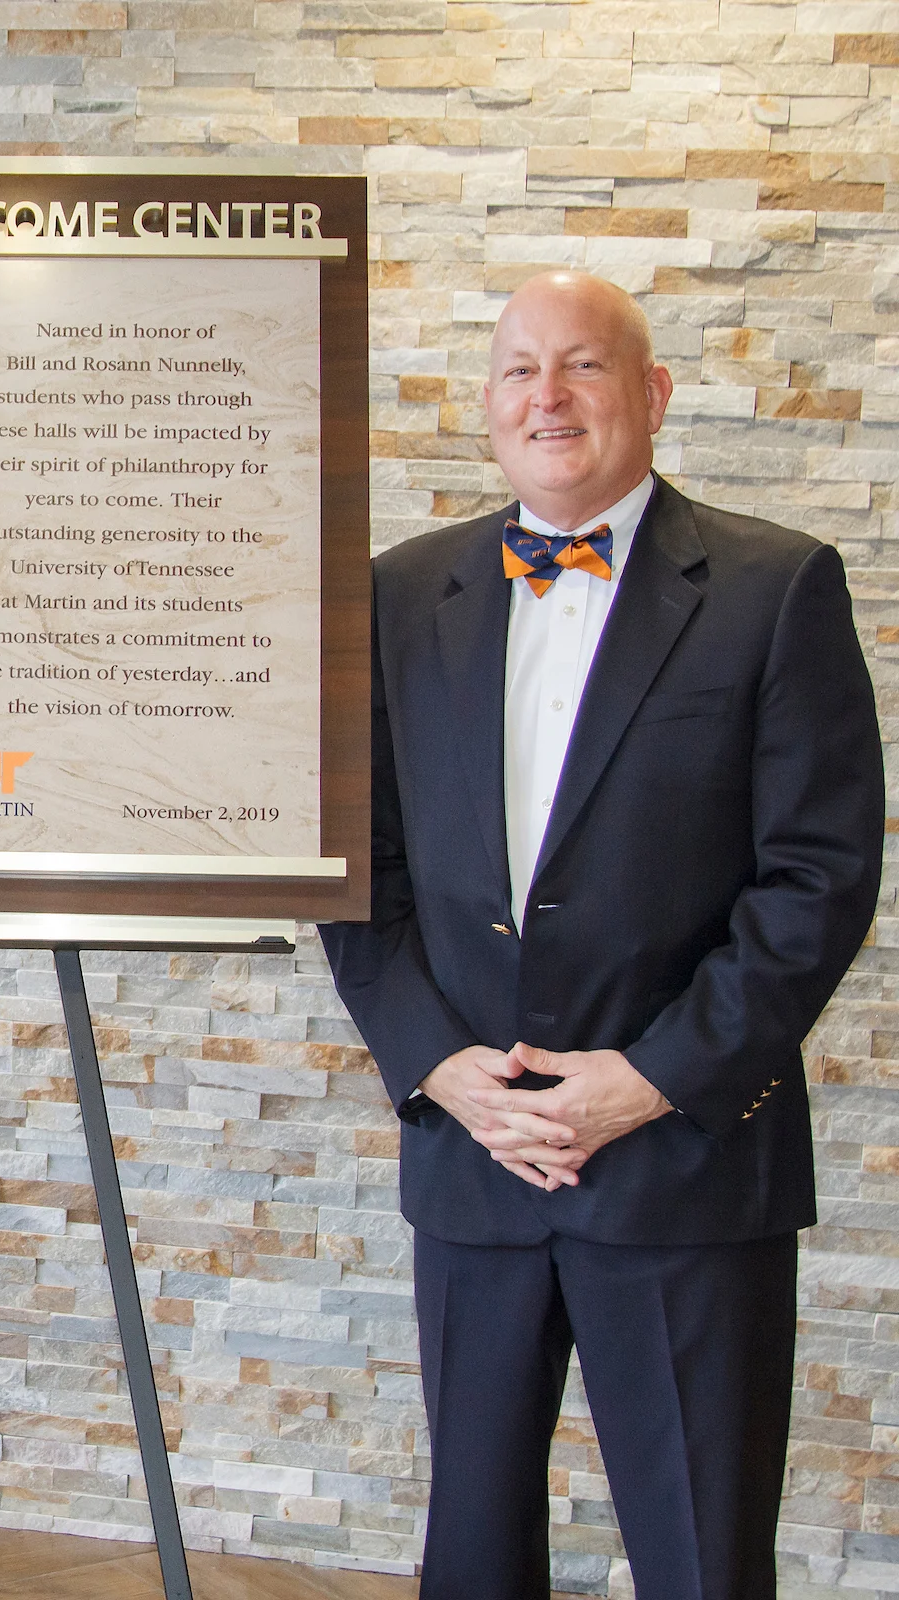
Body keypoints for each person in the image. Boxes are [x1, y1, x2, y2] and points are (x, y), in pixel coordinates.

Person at [318, 270, 882, 1597]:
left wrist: (653, 1080)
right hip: (476, 1161)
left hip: (685, 1164)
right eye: (519, 369)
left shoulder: (775, 587)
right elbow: (357, 866)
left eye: (582, 366)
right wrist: (442, 1068)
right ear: (487, 403)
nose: (548, 397)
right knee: (469, 1560)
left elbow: (819, 875)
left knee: (700, 1558)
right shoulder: (396, 596)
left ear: (654, 395)